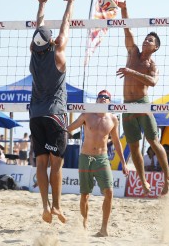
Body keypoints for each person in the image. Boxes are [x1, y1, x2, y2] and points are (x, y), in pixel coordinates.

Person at [29, 0, 79, 224]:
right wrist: (69, 1)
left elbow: (39, 27)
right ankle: (57, 206)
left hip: (35, 115)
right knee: (56, 164)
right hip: (55, 114)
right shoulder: (58, 53)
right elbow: (65, 25)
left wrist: (41, 5)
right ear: (51, 43)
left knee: (41, 161)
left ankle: (45, 206)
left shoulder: (34, 56)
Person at [116, 1, 169, 195]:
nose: (145, 41)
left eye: (150, 40)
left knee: (153, 142)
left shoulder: (152, 65)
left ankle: (168, 177)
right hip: (127, 106)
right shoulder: (132, 52)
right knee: (133, 146)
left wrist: (131, 72)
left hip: (142, 104)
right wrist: (123, 9)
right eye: (146, 39)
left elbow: (153, 82)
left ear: (156, 47)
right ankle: (142, 181)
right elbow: (127, 28)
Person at [67, 89, 129, 237]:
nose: (102, 99)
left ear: (109, 101)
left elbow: (116, 142)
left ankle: (104, 228)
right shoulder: (87, 115)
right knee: (84, 195)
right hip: (85, 157)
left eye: (105, 97)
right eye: (100, 96)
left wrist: (124, 163)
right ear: (96, 100)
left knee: (109, 192)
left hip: (102, 158)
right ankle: (84, 224)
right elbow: (69, 129)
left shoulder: (113, 119)